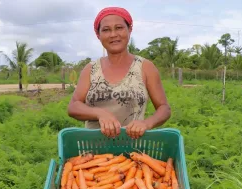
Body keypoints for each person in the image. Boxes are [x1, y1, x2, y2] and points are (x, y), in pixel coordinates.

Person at [67, 6, 171, 139]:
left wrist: (146, 123)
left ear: (129, 30)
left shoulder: (145, 67)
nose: (113, 34)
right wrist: (100, 113)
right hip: (94, 153)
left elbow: (164, 108)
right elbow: (73, 106)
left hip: (134, 150)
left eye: (119, 28)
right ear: (98, 35)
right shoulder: (91, 69)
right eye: (106, 30)